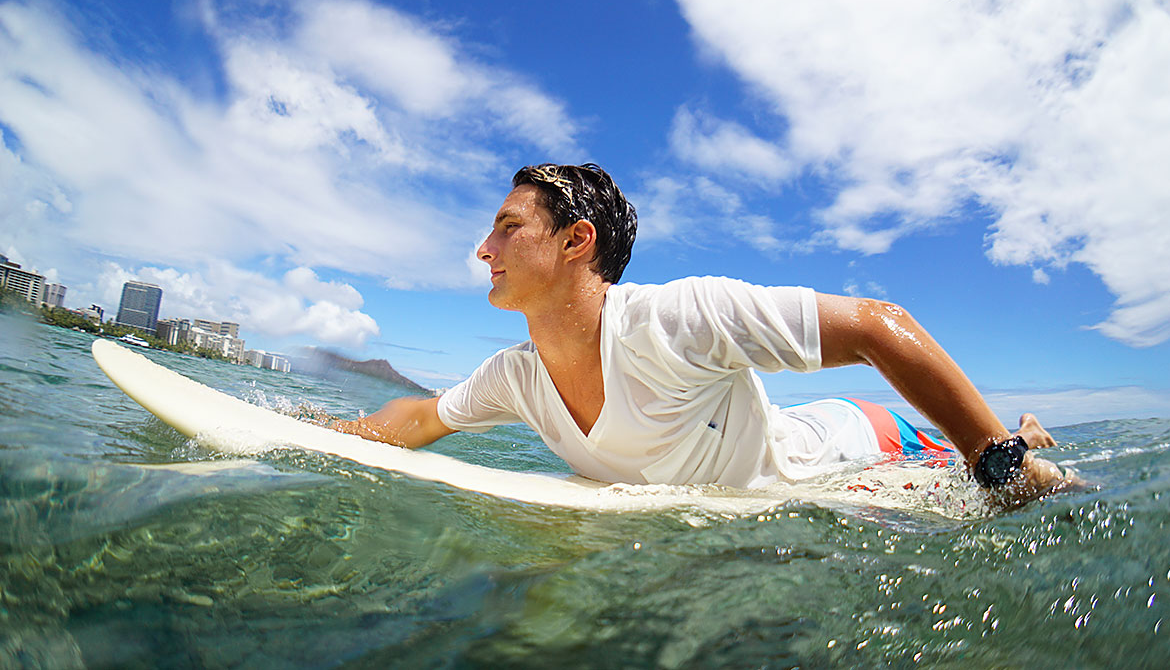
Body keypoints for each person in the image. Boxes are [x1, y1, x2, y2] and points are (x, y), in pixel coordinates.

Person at [333, 163, 1077, 503]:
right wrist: (327, 431)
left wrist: (996, 461)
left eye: (507, 227)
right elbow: (423, 416)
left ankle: (1019, 434)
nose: (483, 249)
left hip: (859, 440)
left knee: (1025, 475)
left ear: (576, 240)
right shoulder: (515, 377)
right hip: (784, 432)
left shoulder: (676, 319)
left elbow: (882, 326)